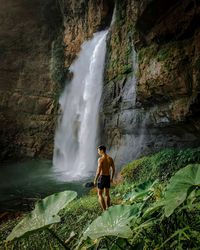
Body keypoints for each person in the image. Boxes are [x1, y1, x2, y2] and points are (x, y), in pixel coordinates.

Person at [94, 145, 115, 211]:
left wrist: (95, 179)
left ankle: (104, 210)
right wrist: (111, 178)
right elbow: (113, 169)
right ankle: (108, 208)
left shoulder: (100, 159)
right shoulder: (110, 158)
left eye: (98, 151)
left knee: (99, 194)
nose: (98, 152)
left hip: (102, 177)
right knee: (107, 194)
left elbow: (98, 170)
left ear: (102, 150)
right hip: (108, 177)